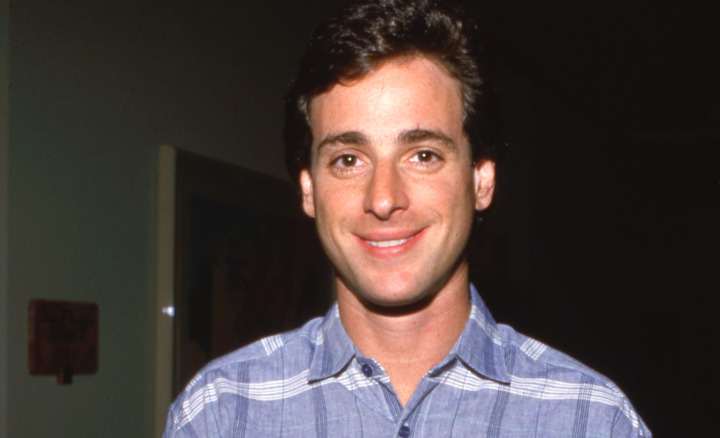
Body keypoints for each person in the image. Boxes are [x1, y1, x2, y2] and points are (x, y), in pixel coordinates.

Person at [163, 0, 652, 436]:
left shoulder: (590, 420)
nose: (383, 199)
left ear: (481, 181)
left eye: (423, 155)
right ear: (309, 190)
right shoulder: (222, 414)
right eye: (348, 160)